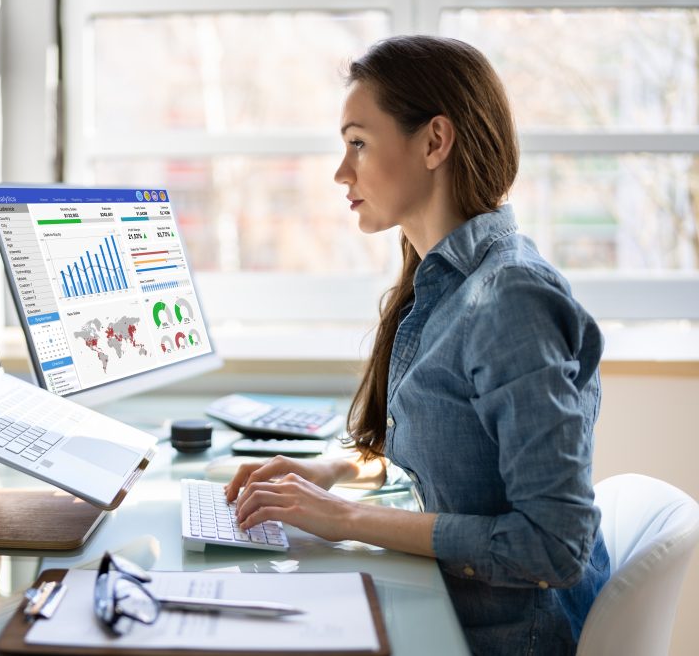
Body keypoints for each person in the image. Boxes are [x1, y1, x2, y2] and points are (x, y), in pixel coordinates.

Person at [225, 35, 609, 655]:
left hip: (497, 637)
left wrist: (344, 519)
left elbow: (554, 547)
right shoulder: (439, 283)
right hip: (437, 607)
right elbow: (444, 466)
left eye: (358, 143)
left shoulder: (510, 299)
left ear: (434, 141)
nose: (340, 172)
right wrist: (330, 472)